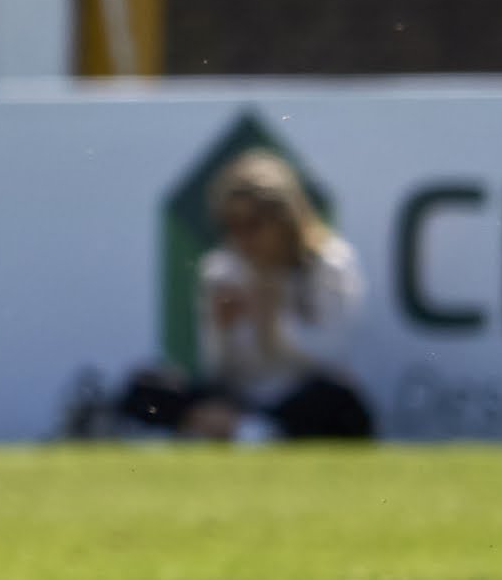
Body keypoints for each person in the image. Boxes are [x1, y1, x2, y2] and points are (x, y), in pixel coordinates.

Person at [107, 151, 373, 441]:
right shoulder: (221, 270)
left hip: (298, 399)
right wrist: (222, 331)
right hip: (237, 401)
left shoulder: (329, 265)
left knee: (342, 400)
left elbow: (331, 355)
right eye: (230, 225)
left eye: (253, 224)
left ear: (285, 220)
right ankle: (249, 431)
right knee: (146, 386)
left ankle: (243, 432)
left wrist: (273, 322)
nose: (242, 237)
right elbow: (215, 372)